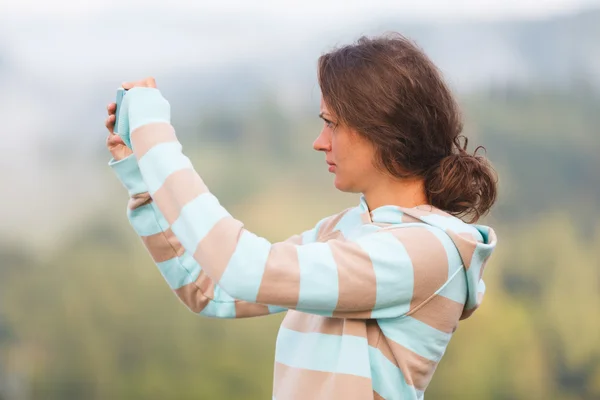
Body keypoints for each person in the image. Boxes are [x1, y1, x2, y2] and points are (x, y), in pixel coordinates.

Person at [104, 33, 498, 400]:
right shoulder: (345, 230)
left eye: (332, 124)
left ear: (382, 130)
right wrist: (144, 179)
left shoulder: (426, 253)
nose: (319, 141)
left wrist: (155, 134)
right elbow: (212, 290)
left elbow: (243, 269)